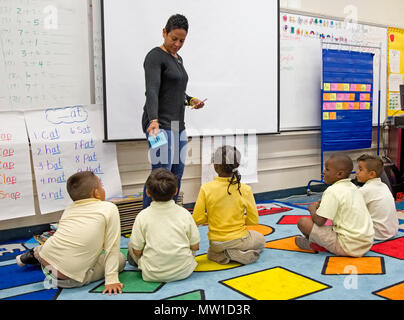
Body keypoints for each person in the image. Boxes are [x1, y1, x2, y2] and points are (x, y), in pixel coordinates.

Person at [16, 171, 126, 295]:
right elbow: (112, 246)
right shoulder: (109, 208)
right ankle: (36, 252)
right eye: (101, 186)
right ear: (96, 193)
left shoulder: (69, 209)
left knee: (63, 245)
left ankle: (36, 253)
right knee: (120, 259)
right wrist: (111, 279)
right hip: (69, 280)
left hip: (47, 263)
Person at [141, 14, 205, 209]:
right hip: (158, 124)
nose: (177, 44)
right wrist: (153, 120)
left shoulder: (178, 59)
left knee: (176, 174)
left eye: (182, 40)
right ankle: (147, 220)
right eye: (173, 39)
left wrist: (190, 99)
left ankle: (170, 217)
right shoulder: (155, 56)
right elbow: (152, 90)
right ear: (164, 32)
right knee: (160, 177)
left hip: (178, 125)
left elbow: (175, 91)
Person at [192, 145, 265, 265]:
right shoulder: (245, 189)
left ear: (215, 166)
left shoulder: (206, 188)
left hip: (215, 243)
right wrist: (236, 219)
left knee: (213, 252)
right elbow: (254, 220)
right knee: (261, 240)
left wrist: (214, 216)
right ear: (236, 166)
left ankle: (221, 254)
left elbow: (197, 219)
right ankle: (236, 253)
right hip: (238, 239)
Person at [128, 168, 200, 282]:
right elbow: (195, 246)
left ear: (147, 192)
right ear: (176, 191)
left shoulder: (142, 216)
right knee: (188, 243)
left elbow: (137, 251)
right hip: (184, 271)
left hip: (152, 274)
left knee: (132, 245)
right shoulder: (185, 213)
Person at [295, 153, 374, 257]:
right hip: (366, 243)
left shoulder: (332, 191)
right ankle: (318, 242)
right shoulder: (354, 188)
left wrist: (312, 208)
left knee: (303, 222)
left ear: (339, 174)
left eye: (327, 169)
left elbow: (319, 221)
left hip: (348, 246)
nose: (323, 172)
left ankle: (317, 245)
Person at [356, 154, 398, 240]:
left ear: (371, 174)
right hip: (392, 231)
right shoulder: (384, 186)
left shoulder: (365, 190)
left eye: (360, 169)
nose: (357, 172)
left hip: (377, 234)